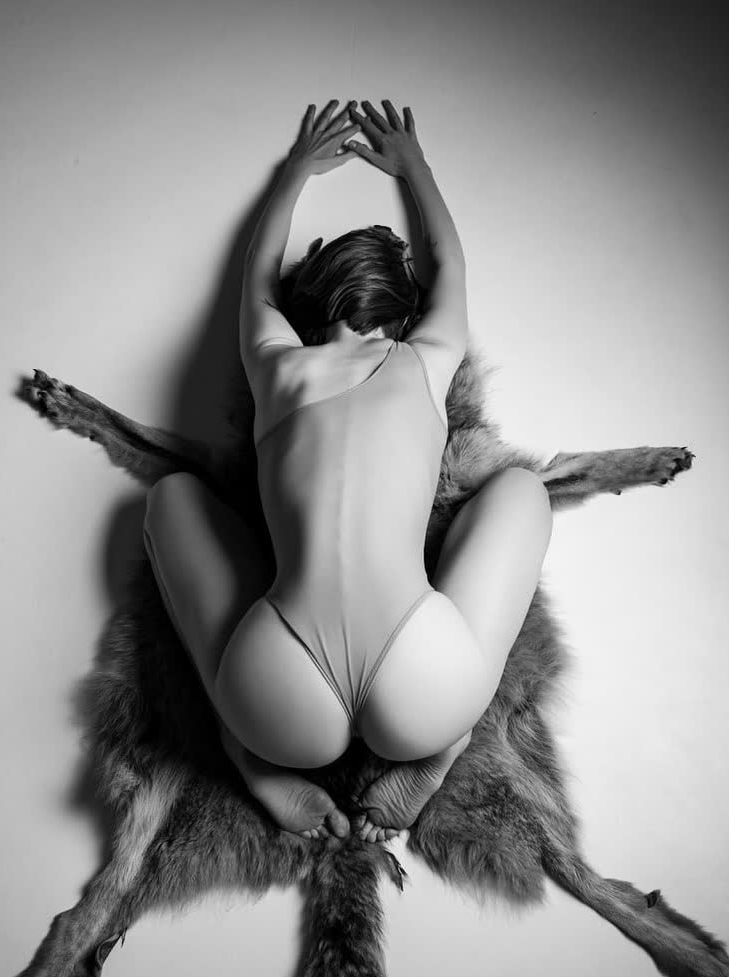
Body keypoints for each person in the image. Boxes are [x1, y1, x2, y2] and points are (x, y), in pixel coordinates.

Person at [143, 100, 552, 844]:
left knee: (168, 497)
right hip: (425, 684)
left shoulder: (276, 363)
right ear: (401, 313)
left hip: (279, 692)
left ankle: (249, 757)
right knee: (525, 489)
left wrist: (295, 172)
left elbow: (255, 276)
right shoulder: (426, 360)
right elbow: (450, 264)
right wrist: (413, 166)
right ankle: (445, 747)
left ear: (310, 303)